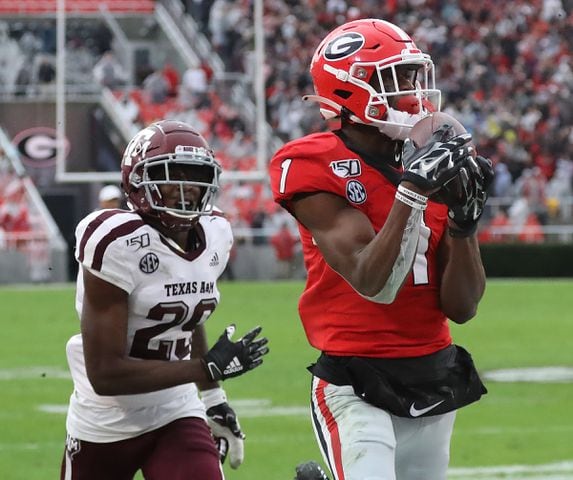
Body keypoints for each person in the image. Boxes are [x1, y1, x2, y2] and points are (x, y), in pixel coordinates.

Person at [268, 19, 494, 480]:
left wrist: (464, 221)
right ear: (351, 89)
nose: (414, 92)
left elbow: (463, 307)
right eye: (398, 79)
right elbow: (373, 281)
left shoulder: (430, 156)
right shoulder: (313, 162)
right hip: (355, 379)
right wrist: (412, 190)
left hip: (434, 371)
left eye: (414, 77)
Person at [61, 120, 269, 480]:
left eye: (195, 175)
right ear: (137, 181)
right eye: (172, 176)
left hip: (175, 409)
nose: (186, 188)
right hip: (105, 420)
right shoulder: (116, 241)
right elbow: (105, 373)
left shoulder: (215, 232)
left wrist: (213, 399)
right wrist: (205, 369)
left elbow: (188, 315)